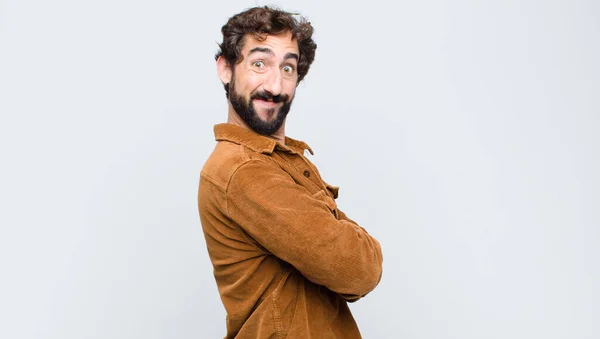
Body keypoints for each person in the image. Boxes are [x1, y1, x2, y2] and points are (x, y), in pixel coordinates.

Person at [198, 6, 383, 338]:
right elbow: (359, 270)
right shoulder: (243, 170)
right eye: (259, 63)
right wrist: (353, 238)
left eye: (287, 67)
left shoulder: (272, 160)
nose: (275, 85)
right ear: (226, 69)